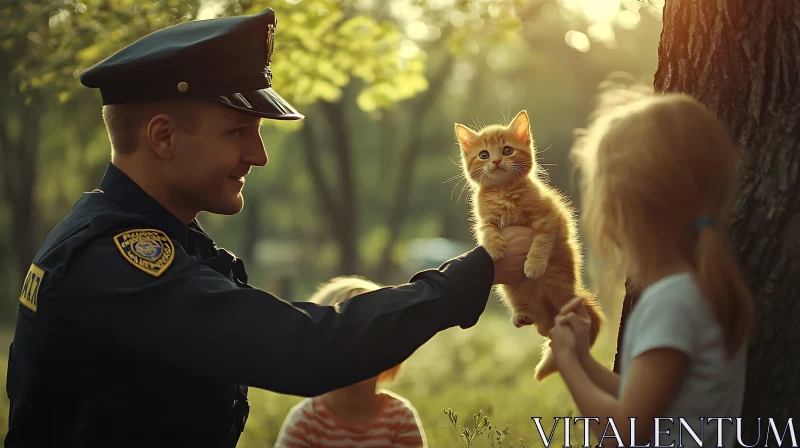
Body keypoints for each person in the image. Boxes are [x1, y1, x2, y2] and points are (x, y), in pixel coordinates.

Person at [5, 7, 536, 448]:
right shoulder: (117, 261)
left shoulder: (150, 240)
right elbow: (309, 349)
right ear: (163, 138)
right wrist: (478, 271)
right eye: (239, 131)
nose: (258, 155)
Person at [549, 90, 755, 447]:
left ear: (618, 208)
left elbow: (626, 433)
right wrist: (584, 359)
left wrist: (567, 363)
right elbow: (647, 401)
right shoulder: (697, 290)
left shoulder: (672, 303)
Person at [274, 276, 427, 448]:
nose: (359, 351)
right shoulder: (306, 422)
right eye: (346, 340)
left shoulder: (399, 418)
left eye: (372, 338)